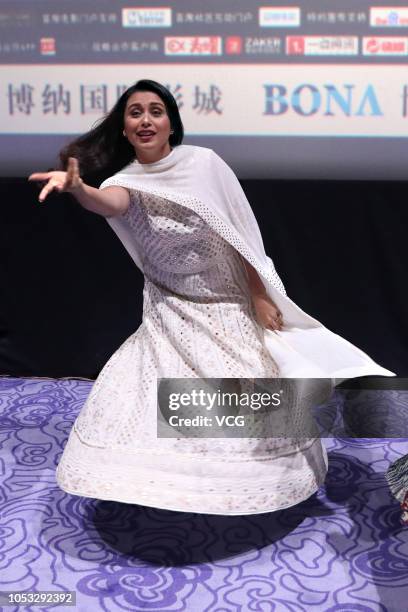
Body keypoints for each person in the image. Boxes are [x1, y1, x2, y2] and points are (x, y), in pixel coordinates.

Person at [29, 79, 394, 515]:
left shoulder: (204, 165)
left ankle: (252, 490)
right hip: (171, 308)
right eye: (135, 112)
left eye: (156, 111)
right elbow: (108, 203)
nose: (146, 119)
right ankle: (165, 487)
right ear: (124, 129)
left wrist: (259, 296)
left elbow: (241, 235)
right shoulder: (125, 182)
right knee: (144, 397)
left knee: (245, 407)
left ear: (171, 124)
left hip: (227, 305)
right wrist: (78, 189)